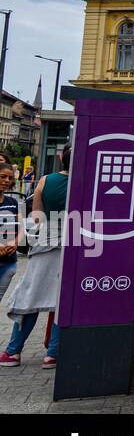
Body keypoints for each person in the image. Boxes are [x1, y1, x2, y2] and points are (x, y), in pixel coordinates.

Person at [1, 147, 71, 369]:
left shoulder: (44, 181)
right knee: (62, 302)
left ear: (61, 158)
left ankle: (13, 351)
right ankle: (53, 354)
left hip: (45, 244)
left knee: (29, 298)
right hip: (74, 244)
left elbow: (37, 218)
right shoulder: (85, 183)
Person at [0, 166, 19, 303]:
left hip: (9, 262)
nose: (7, 180)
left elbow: (22, 227)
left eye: (10, 178)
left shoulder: (13, 202)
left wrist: (16, 242)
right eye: (3, 177)